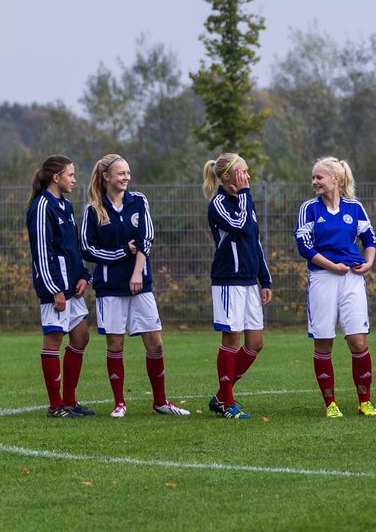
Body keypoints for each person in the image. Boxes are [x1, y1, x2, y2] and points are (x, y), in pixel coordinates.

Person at [79, 154, 190, 417]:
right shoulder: (93, 209)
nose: (126, 177)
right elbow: (87, 249)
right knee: (115, 345)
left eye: (128, 173)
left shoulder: (139, 201)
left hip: (141, 285)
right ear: (106, 177)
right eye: (121, 173)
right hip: (109, 287)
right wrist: (120, 253)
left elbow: (146, 239)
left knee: (155, 342)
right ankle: (119, 402)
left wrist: (137, 273)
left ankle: (160, 402)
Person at [294, 157, 376, 418]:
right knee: (324, 342)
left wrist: (368, 263)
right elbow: (304, 247)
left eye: (319, 177)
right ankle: (330, 403)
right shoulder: (309, 209)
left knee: (357, 340)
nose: (314, 182)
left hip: (352, 279)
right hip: (323, 279)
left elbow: (369, 238)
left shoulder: (354, 207)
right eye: (313, 177)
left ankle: (365, 402)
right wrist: (331, 265)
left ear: (336, 179)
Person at [204, 153, 272, 420]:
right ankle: (227, 404)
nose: (247, 177)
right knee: (231, 340)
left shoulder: (246, 200)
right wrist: (245, 194)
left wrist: (264, 279)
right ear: (228, 176)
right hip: (228, 281)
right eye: (242, 172)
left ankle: (222, 395)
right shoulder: (218, 203)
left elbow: (254, 242)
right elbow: (240, 226)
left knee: (255, 343)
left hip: (249, 282)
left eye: (248, 171)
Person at [27, 155, 93, 417]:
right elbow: (42, 252)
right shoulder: (42, 206)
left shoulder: (65, 204)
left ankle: (69, 401)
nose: (75, 180)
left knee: (81, 337)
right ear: (56, 178)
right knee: (54, 340)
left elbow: (72, 248)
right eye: (71, 175)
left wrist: (83, 276)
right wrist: (55, 289)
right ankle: (55, 407)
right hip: (55, 288)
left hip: (71, 286)